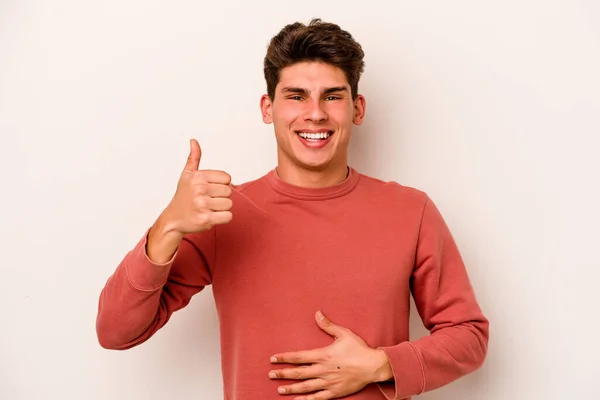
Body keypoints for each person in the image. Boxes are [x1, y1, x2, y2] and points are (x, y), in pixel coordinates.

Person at [96, 18, 489, 400]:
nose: (315, 113)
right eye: (296, 96)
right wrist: (167, 226)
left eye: (333, 96)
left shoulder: (410, 211)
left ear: (358, 109)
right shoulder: (223, 215)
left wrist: (380, 365)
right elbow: (116, 332)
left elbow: (469, 337)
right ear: (268, 108)